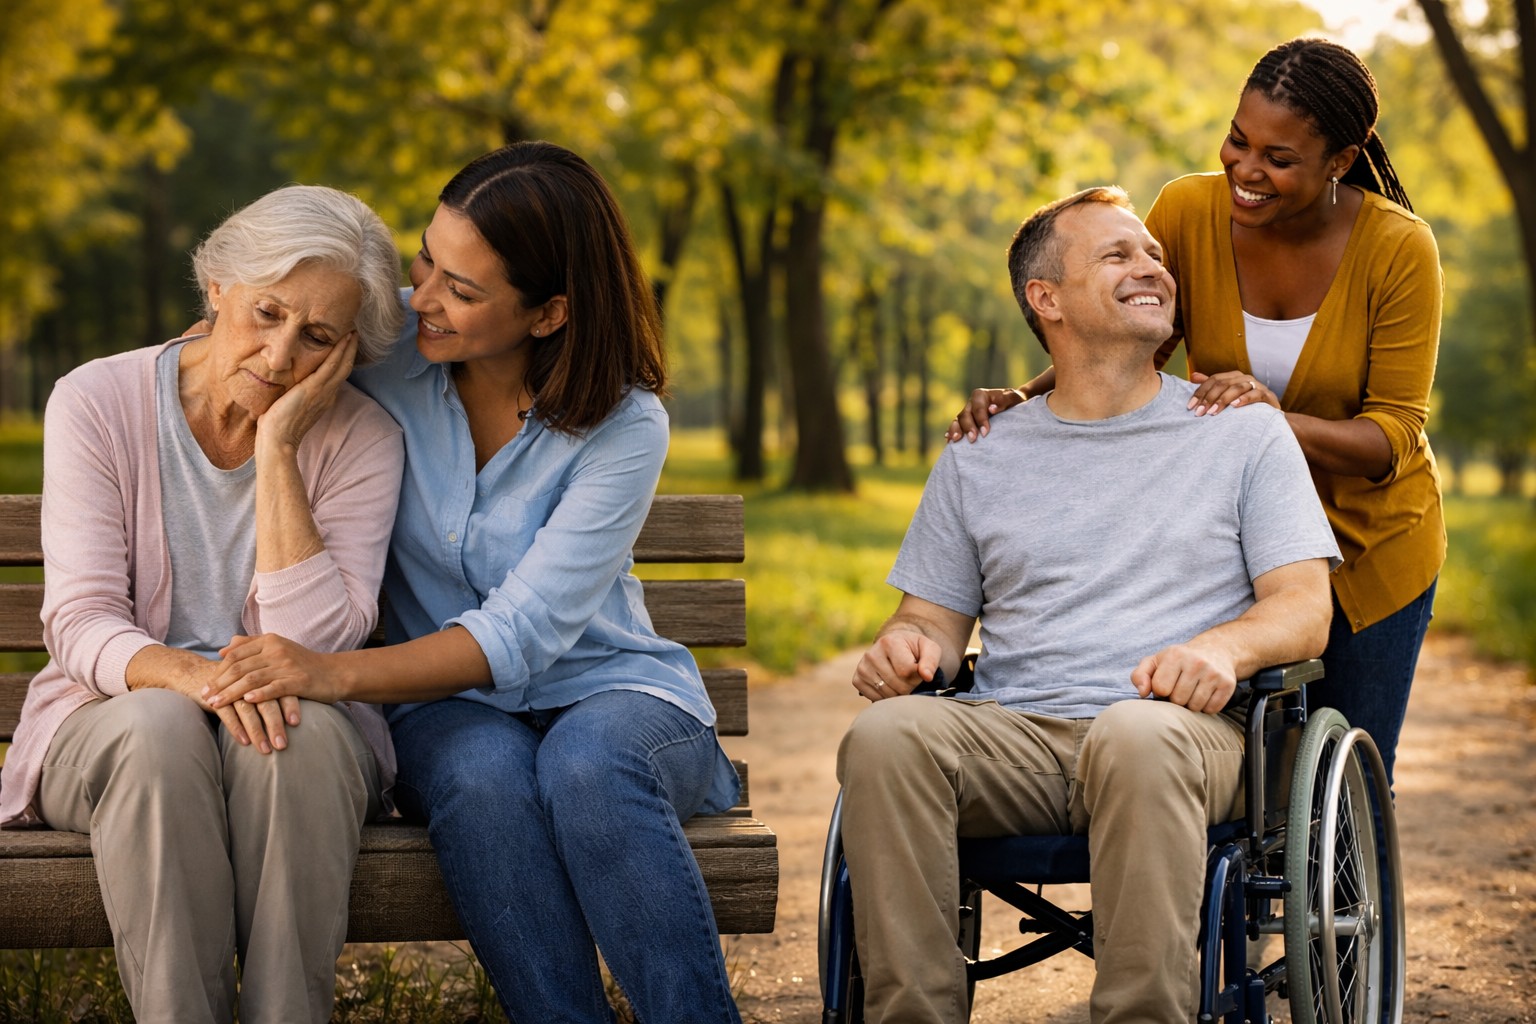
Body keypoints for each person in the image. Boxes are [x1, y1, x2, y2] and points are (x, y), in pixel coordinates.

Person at [201, 141, 743, 1024]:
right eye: (426, 259)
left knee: (590, 767)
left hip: (615, 692)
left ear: (548, 312)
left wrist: (327, 671)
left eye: (464, 289)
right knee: (486, 780)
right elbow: (246, 338)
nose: (424, 298)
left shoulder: (624, 424)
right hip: (446, 714)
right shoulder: (386, 362)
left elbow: (522, 635)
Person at [841, 186, 1339, 1024]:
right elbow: (929, 620)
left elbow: (1302, 607)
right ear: (1047, 300)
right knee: (887, 735)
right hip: (1021, 736)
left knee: (1135, 735)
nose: (1151, 267)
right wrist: (904, 647)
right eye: (1118, 255)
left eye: (1154, 255)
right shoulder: (982, 451)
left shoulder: (1241, 431)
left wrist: (1219, 651)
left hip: (1179, 734)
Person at [947, 37, 1443, 783]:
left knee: (1347, 778)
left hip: (1371, 546)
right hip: (1235, 538)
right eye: (1238, 141)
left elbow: (1395, 435)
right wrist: (1022, 398)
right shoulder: (1187, 209)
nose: (1246, 169)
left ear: (1338, 162)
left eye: (1279, 158)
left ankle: (1344, 899)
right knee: (1244, 782)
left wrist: (1271, 420)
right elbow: (1129, 338)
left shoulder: (1399, 249)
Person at [0, 186, 406, 1023]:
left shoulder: (365, 440)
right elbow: (79, 621)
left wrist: (279, 448)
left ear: (347, 354)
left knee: (292, 736)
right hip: (117, 721)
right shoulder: (96, 402)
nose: (282, 352)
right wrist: (195, 680)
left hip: (297, 724)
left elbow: (320, 644)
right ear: (218, 284)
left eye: (318, 336)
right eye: (267, 311)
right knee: (159, 729)